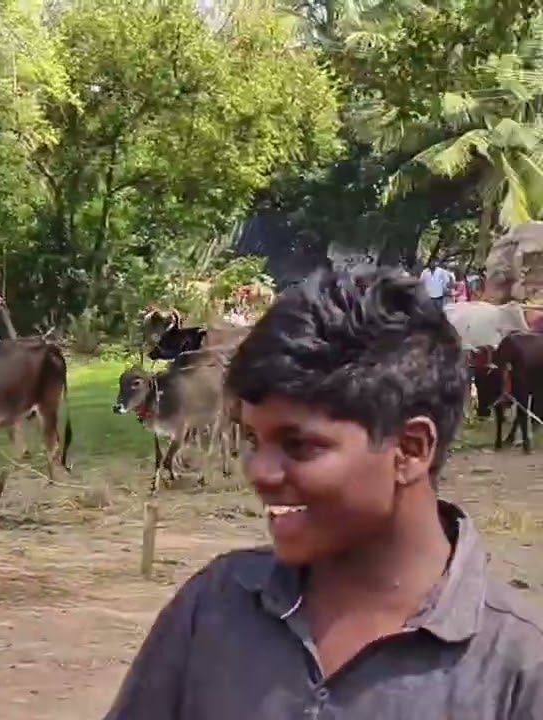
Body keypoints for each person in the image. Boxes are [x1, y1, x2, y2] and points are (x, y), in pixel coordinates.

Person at [103, 269, 543, 719]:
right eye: (253, 441)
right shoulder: (213, 609)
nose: (258, 472)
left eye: (299, 445)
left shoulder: (518, 671)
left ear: (410, 450)